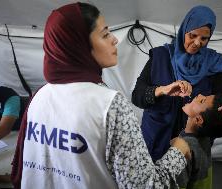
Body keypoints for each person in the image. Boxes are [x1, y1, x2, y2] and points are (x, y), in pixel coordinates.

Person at [11, 2, 192, 189]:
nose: (115, 39)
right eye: (105, 34)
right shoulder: (109, 105)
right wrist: (178, 151)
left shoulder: (40, 96)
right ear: (78, 44)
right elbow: (146, 186)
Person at [132, 5, 222, 188]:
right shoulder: (160, 57)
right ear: (184, 30)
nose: (198, 42)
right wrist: (161, 90)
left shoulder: (213, 64)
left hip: (192, 149)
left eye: (204, 38)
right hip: (155, 140)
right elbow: (137, 96)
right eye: (193, 35)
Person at [176, 93, 222, 188]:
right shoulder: (205, 139)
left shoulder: (184, 148)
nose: (199, 95)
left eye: (202, 101)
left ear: (198, 119)